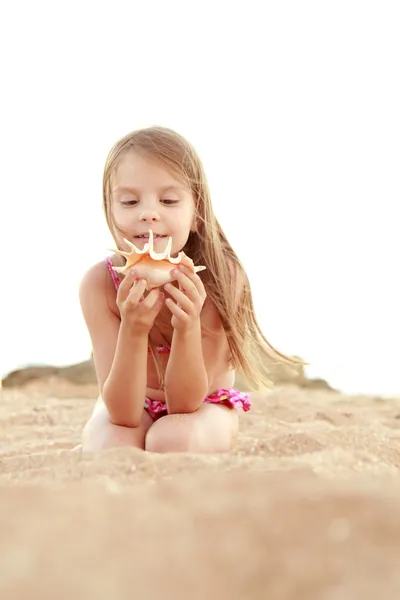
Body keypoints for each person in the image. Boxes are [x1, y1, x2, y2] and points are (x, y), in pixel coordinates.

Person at [78, 126, 303, 454]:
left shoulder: (220, 278)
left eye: (168, 200)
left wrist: (187, 327)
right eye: (129, 201)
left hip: (204, 405)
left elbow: (186, 404)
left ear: (196, 214)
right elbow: (123, 414)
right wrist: (134, 327)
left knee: (172, 439)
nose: (148, 213)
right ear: (110, 212)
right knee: (114, 445)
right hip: (129, 404)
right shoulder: (99, 285)